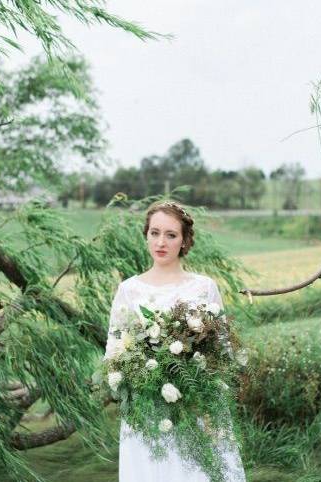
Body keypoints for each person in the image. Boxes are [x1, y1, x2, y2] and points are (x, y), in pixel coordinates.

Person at [105, 200, 246, 482]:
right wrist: (140, 376)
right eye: (154, 233)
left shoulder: (204, 287)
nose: (161, 242)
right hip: (147, 405)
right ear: (146, 235)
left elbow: (223, 347)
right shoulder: (129, 290)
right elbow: (114, 349)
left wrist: (200, 381)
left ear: (184, 241)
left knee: (200, 470)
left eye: (171, 235)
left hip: (197, 401)